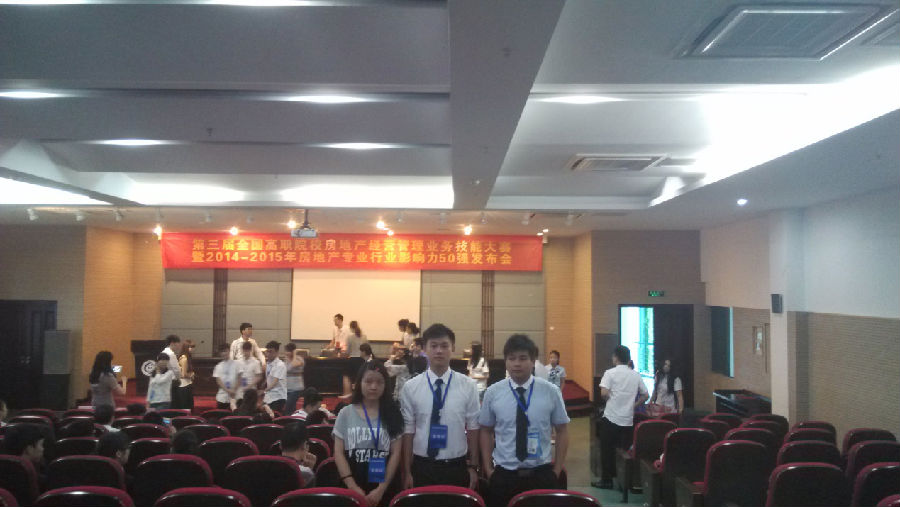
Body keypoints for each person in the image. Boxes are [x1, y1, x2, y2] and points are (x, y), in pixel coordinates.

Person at [479, 334, 570, 507]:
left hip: (541, 474)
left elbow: (562, 430)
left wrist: (557, 470)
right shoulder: (493, 392)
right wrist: (489, 469)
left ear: (533, 361)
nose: (517, 363)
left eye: (523, 358)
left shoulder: (551, 391)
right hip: (504, 475)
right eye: (511, 358)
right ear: (505, 361)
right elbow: (486, 430)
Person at [400, 323, 480, 490]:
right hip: (422, 466)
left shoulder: (468, 386)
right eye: (434, 346)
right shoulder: (411, 387)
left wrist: (473, 467)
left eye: (444, 346)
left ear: (453, 348)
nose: (439, 351)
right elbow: (408, 431)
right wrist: (407, 471)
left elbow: (473, 428)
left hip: (456, 466)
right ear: (425, 349)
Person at [333, 362, 403, 507]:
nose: (373, 386)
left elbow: (396, 453)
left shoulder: (393, 414)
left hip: (384, 485)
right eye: (368, 381)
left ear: (386, 385)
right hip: (352, 481)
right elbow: (338, 452)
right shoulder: (345, 413)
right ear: (359, 383)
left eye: (379, 382)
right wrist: (352, 486)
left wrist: (381, 489)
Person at [594, 344, 649, 489]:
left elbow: (604, 393)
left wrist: (611, 399)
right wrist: (634, 405)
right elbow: (646, 395)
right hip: (627, 419)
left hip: (611, 417)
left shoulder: (610, 373)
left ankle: (607, 480)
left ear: (616, 357)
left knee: (607, 449)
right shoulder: (635, 375)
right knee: (623, 450)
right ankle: (623, 479)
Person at [281, 422, 317, 486]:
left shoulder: (266, 468)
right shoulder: (306, 472)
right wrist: (309, 470)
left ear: (280, 445)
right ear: (304, 445)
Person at [263, 340, 287, 414]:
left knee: (275, 416)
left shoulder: (280, 365)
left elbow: (274, 382)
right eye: (267, 351)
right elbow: (269, 378)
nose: (268, 354)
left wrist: (263, 391)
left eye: (271, 352)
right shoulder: (268, 363)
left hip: (278, 397)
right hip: (270, 395)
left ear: (277, 352)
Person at [236, 340, 263, 405]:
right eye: (244, 350)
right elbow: (237, 376)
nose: (246, 352)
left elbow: (259, 377)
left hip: (251, 389)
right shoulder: (238, 361)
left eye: (247, 350)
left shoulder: (256, 362)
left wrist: (249, 386)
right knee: (240, 406)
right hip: (240, 389)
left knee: (250, 407)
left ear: (251, 350)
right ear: (242, 350)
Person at [213, 343, 239, 410]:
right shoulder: (218, 366)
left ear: (229, 351)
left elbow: (239, 378)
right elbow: (218, 381)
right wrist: (228, 390)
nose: (223, 353)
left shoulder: (237, 364)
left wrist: (234, 390)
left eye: (225, 351)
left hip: (235, 396)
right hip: (222, 397)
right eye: (222, 352)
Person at [284, 343, 306, 415]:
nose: (286, 353)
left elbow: (292, 365)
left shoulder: (299, 359)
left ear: (293, 351)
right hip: (288, 387)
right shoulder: (286, 359)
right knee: (291, 407)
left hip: (296, 388)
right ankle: (293, 418)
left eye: (288, 351)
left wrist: (294, 355)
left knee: (288, 406)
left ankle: (288, 418)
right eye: (286, 351)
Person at [175, 339, 195, 411]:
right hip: (184, 386)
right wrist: (191, 375)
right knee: (185, 408)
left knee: (187, 408)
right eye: (190, 347)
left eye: (193, 347)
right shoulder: (184, 358)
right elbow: (183, 375)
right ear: (186, 348)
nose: (192, 349)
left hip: (186, 384)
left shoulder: (186, 357)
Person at [161, 335, 183, 402]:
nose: (179, 346)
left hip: (164, 380)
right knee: (174, 402)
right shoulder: (171, 354)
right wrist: (179, 378)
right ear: (172, 343)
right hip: (172, 381)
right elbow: (176, 369)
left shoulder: (163, 352)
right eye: (178, 343)